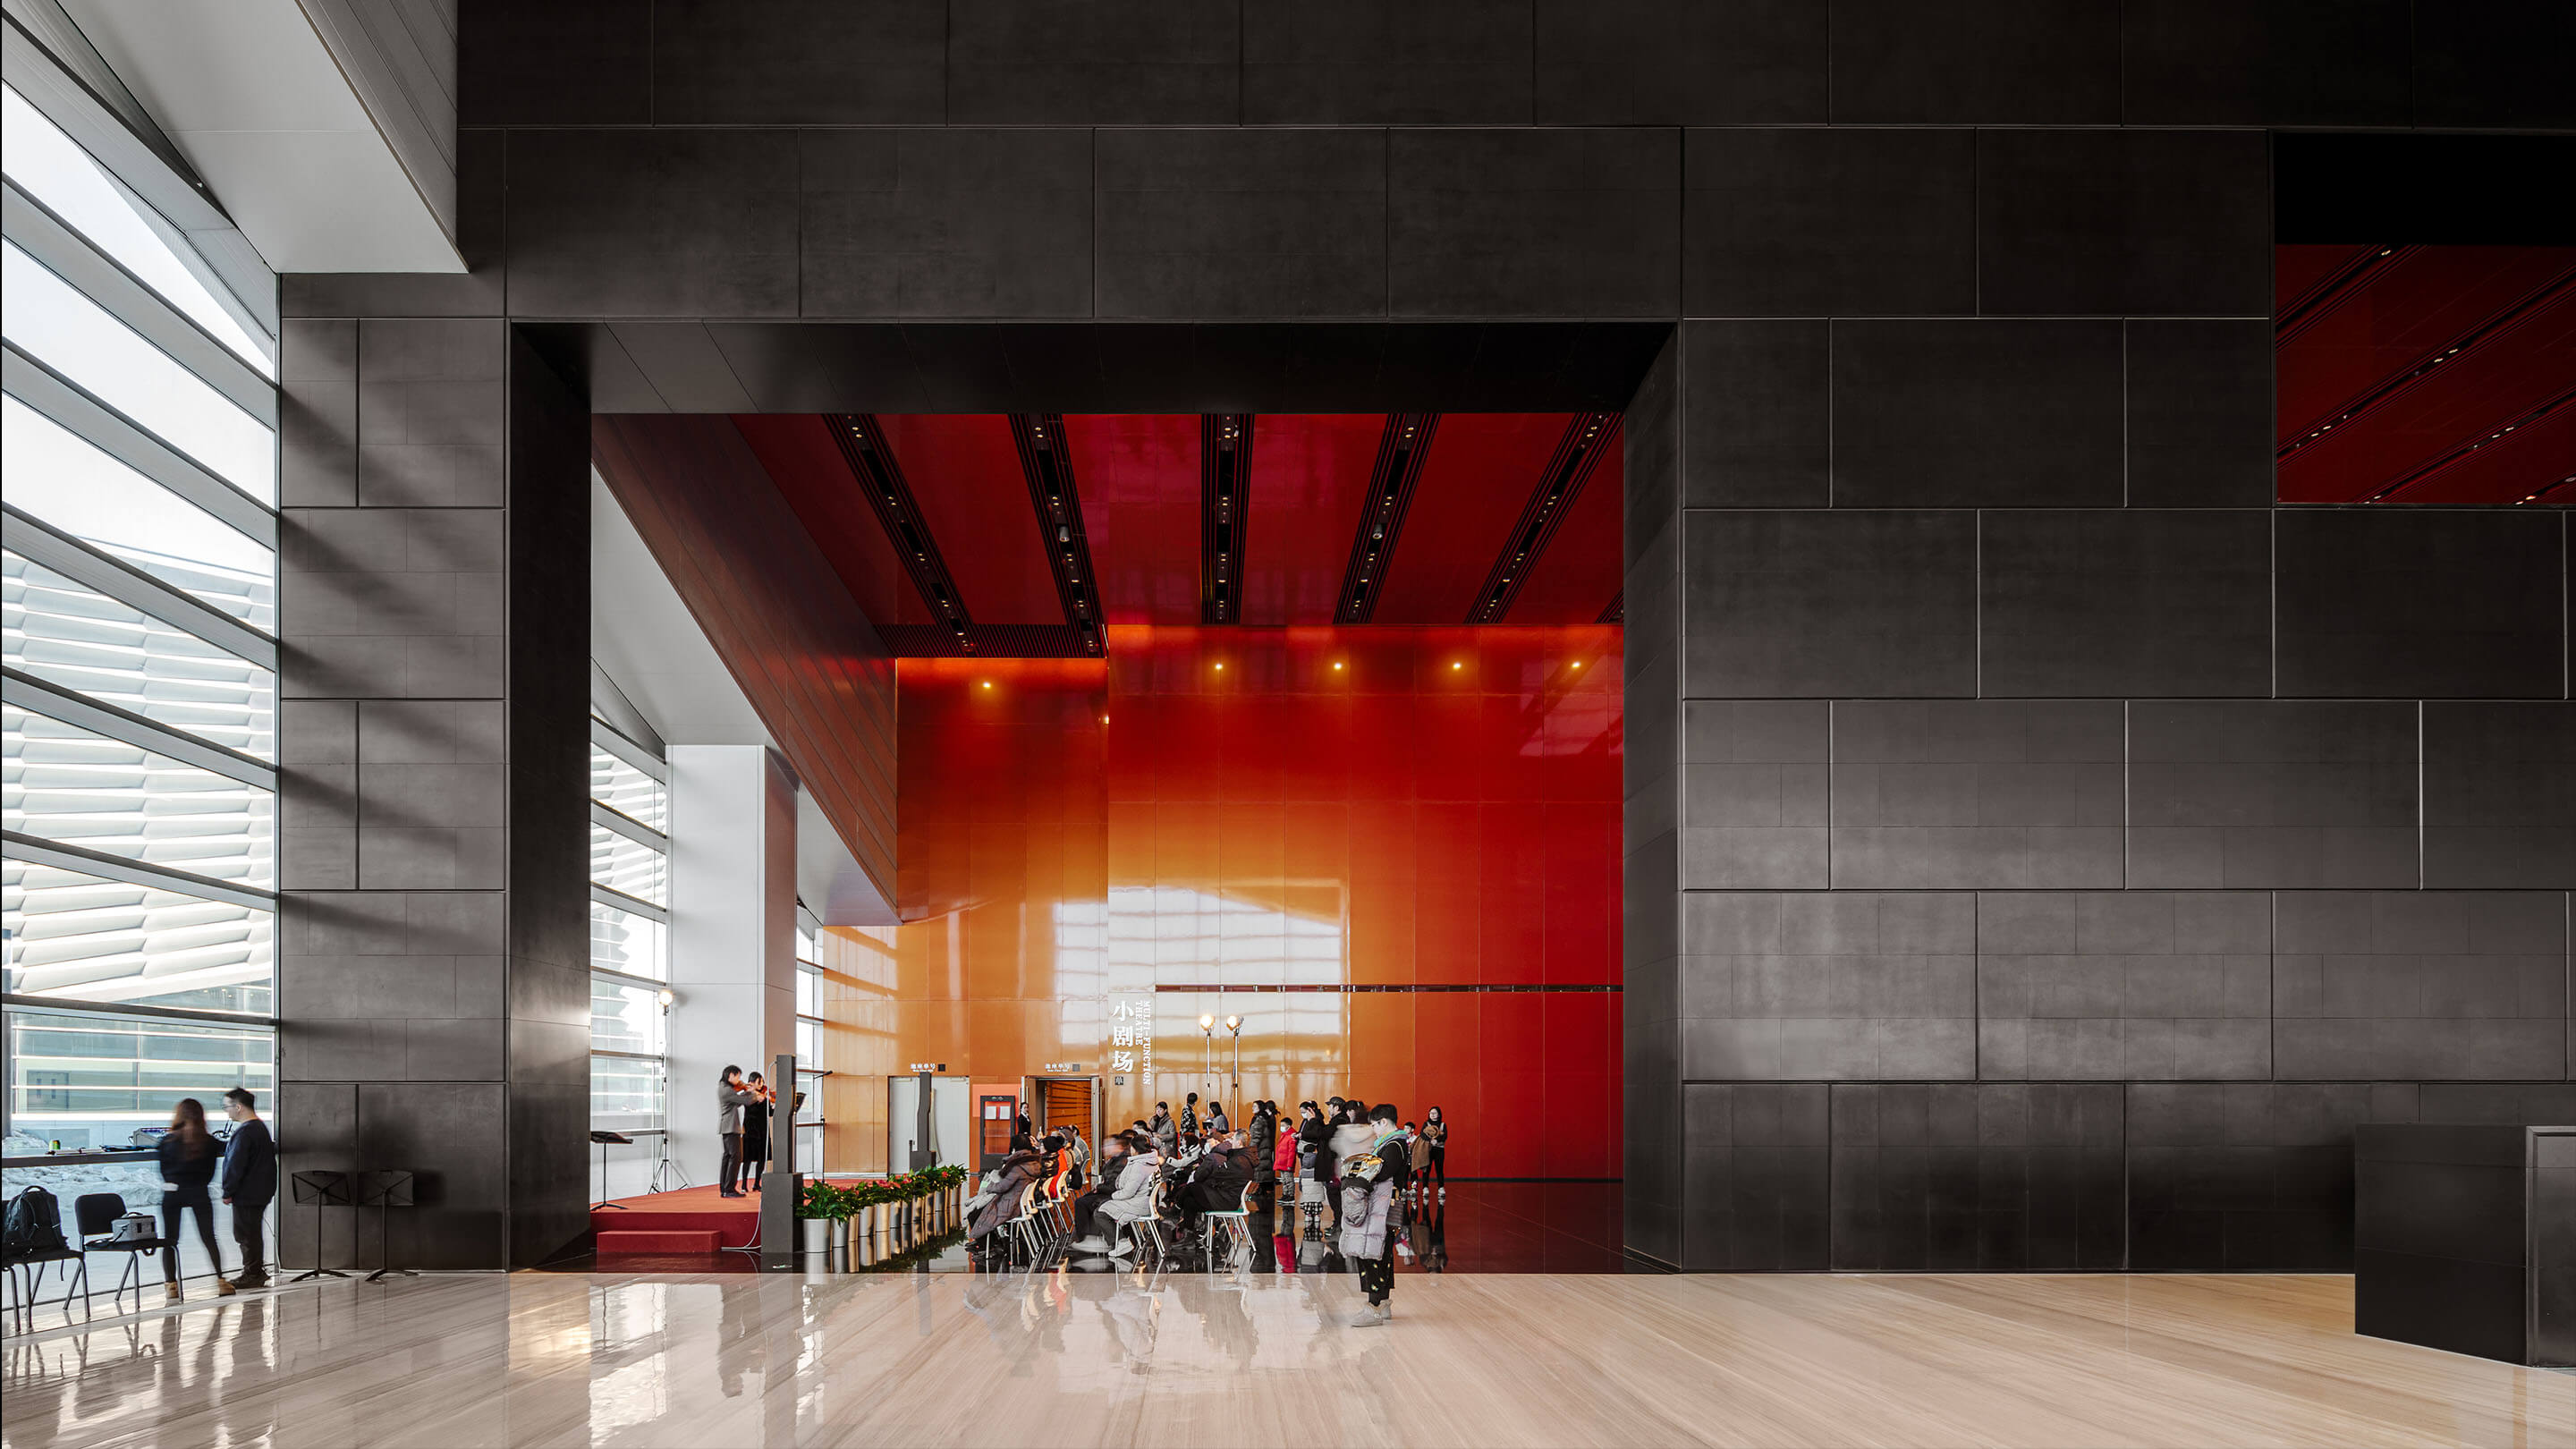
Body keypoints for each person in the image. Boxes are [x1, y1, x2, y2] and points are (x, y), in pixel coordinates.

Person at [1340, 1105, 1411, 1326]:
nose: (1373, 1129)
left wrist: (1355, 1175)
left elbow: (1380, 1172)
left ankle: (1373, 1308)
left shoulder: (1393, 1145)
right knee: (1382, 1255)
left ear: (1384, 1122)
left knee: (1371, 1254)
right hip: (1387, 1208)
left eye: (1374, 1125)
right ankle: (1383, 1304)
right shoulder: (1392, 1144)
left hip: (1384, 1210)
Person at [157, 1098, 225, 1301]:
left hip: (172, 1193)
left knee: (170, 1240)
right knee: (209, 1237)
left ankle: (171, 1286)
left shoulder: (167, 1142)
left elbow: (163, 1172)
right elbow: (210, 1173)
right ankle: (221, 1281)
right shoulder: (210, 1142)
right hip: (199, 1192)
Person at [218, 1087, 276, 1290]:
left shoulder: (245, 1132)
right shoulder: (260, 1129)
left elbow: (235, 1165)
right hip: (260, 1191)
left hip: (247, 1193)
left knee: (245, 1234)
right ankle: (255, 1270)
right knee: (252, 1232)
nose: (226, 1111)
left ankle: (252, 1273)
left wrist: (228, 1191)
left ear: (239, 1107)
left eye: (227, 1107)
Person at [1095, 1132, 1165, 1258]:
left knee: (1100, 1212)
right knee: (1103, 1205)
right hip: (1145, 1202)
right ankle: (1118, 1241)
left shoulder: (1139, 1165)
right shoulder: (1151, 1161)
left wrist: (1114, 1196)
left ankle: (1121, 1242)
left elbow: (1128, 1192)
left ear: (1135, 1149)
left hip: (1138, 1204)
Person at [1065, 1133, 1131, 1250]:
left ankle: (1088, 1237)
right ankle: (1087, 1237)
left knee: (1083, 1203)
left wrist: (1099, 1187)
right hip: (1107, 1193)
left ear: (1118, 1146)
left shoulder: (1122, 1162)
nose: (1105, 1149)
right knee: (1083, 1201)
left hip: (1113, 1195)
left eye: (1108, 1145)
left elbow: (1115, 1185)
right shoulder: (1114, 1161)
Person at [716, 1065, 761, 1199]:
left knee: (728, 1157)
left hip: (728, 1127)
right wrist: (753, 1092)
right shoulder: (727, 1090)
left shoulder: (724, 1088)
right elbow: (745, 1101)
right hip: (731, 1128)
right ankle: (729, 1189)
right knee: (736, 1158)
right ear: (730, 1075)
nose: (739, 1080)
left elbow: (738, 1101)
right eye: (738, 1077)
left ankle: (724, 1188)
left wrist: (748, 1091)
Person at [738, 1072, 773, 1193]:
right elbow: (749, 1107)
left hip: (763, 1130)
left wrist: (772, 1104)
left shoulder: (764, 1096)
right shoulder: (747, 1095)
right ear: (752, 1082)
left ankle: (757, 1184)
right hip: (750, 1130)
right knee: (747, 1159)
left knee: (761, 1159)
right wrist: (756, 1095)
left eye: (762, 1082)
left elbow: (770, 1114)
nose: (762, 1084)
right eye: (760, 1082)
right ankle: (743, 1185)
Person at [1422, 1106, 1449, 1191]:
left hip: (1439, 1150)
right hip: (1428, 1150)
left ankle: (1441, 1187)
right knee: (1426, 1169)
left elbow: (1445, 1136)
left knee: (1439, 1169)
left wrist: (1437, 1140)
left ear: (1439, 1114)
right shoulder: (1426, 1124)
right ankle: (1425, 1187)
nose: (1432, 1115)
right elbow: (1422, 1135)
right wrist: (1430, 1140)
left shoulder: (1443, 1124)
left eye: (1434, 1113)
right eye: (1431, 1113)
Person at [1406, 1120, 1432, 1193]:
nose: (1405, 1130)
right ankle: (1404, 1188)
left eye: (1407, 1128)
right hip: (1405, 1158)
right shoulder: (1402, 1138)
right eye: (1404, 1128)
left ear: (1412, 1130)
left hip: (1413, 1158)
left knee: (1413, 1174)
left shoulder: (1416, 1138)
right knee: (1404, 1174)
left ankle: (1414, 1189)